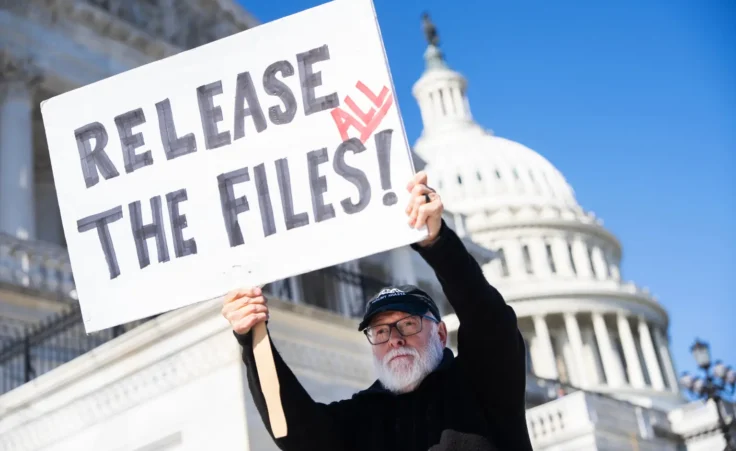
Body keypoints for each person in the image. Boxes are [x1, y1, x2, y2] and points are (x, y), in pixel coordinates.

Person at [221, 171, 532, 451]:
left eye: (407, 324)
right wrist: (251, 337)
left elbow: (489, 321)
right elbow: (292, 430)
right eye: (380, 331)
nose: (394, 340)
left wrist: (438, 244)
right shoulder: (363, 417)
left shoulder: (482, 383)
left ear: (439, 332)